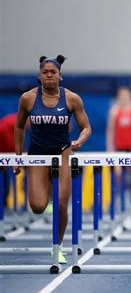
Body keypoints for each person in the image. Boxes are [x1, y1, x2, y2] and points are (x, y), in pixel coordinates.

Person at [14, 55, 92, 263]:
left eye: (53, 72)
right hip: (38, 154)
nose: (49, 75)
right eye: (45, 72)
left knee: (61, 204)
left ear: (60, 76)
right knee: (38, 206)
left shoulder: (72, 99)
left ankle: (57, 246)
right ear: (39, 76)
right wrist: (18, 157)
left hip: (62, 152)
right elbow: (19, 126)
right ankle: (47, 187)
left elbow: (86, 127)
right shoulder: (28, 98)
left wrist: (80, 141)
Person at [106, 87, 131, 197]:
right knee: (118, 173)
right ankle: (119, 195)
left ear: (130, 97)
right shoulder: (115, 111)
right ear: (118, 98)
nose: (124, 99)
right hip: (119, 148)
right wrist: (110, 149)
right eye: (121, 97)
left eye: (126, 96)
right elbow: (110, 131)